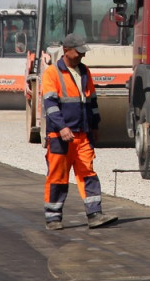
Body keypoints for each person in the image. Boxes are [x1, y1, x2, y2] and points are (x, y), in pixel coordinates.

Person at [41, 33, 117, 230]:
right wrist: (62, 127)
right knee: (57, 176)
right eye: (79, 52)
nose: (82, 56)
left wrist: (95, 126)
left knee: (88, 173)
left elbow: (92, 102)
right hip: (60, 136)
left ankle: (95, 214)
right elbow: (50, 105)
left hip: (83, 135)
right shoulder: (52, 73)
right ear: (66, 50)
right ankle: (53, 217)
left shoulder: (84, 71)